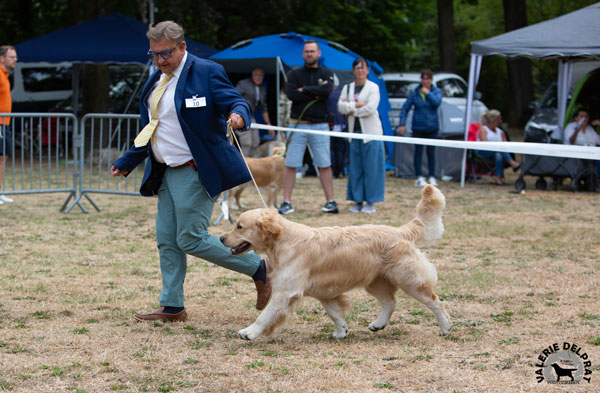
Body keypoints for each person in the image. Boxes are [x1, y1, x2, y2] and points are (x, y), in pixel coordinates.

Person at [110, 21, 271, 323]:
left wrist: (238, 115)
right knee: (167, 239)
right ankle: (172, 307)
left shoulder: (206, 71)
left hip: (196, 169)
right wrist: (129, 159)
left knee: (191, 238)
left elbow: (236, 100)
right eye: (153, 54)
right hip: (165, 171)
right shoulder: (157, 80)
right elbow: (154, 126)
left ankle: (259, 269)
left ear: (182, 47)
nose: (159, 60)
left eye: (165, 54)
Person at [278, 40, 337, 214]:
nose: (309, 54)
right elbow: (291, 94)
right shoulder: (295, 73)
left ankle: (331, 201)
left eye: (312, 51)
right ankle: (286, 202)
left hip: (321, 125)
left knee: (324, 163)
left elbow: (327, 91)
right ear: (303, 54)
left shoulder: (326, 72)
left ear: (318, 53)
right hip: (298, 124)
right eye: (306, 52)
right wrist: (314, 91)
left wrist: (305, 90)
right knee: (291, 163)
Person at [337, 58, 385, 214]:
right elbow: (340, 107)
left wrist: (351, 108)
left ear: (367, 70)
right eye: (357, 68)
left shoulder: (373, 87)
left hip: (371, 134)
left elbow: (370, 108)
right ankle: (357, 200)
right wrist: (355, 105)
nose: (360, 71)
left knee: (372, 168)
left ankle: (371, 202)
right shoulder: (348, 88)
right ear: (353, 70)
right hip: (354, 134)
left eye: (363, 68)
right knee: (356, 168)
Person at [396, 69, 442, 187]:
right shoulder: (415, 92)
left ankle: (432, 176)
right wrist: (402, 123)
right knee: (418, 152)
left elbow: (437, 103)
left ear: (431, 80)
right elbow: (405, 108)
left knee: (431, 153)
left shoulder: (436, 91)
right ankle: (419, 177)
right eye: (423, 78)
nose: (425, 81)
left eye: (427, 79)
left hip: (432, 127)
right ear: (421, 80)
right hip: (418, 127)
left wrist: (428, 93)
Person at [235, 67, 273, 157]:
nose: (258, 77)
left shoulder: (262, 88)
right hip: (241, 117)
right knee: (247, 142)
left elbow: (264, 107)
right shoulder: (243, 84)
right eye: (256, 75)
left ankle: (252, 167)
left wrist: (268, 124)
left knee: (256, 142)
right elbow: (234, 98)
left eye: (261, 75)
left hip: (251, 117)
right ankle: (244, 166)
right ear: (252, 75)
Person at [475, 110, 520, 185]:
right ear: (493, 120)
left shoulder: (501, 132)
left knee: (498, 154)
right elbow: (484, 145)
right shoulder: (483, 130)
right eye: (499, 119)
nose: (501, 121)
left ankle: (498, 179)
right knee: (498, 150)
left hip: (497, 152)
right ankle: (512, 163)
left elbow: (506, 145)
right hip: (483, 152)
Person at [0, 45, 17, 205]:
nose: (15, 60)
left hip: (5, 122)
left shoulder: (5, 75)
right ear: (2, 58)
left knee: (3, 157)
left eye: (15, 57)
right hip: (0, 122)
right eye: (11, 57)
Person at [328, 74, 347, 178]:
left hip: (330, 125)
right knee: (340, 149)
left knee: (331, 149)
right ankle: (340, 171)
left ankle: (333, 171)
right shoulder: (341, 94)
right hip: (341, 125)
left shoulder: (327, 95)